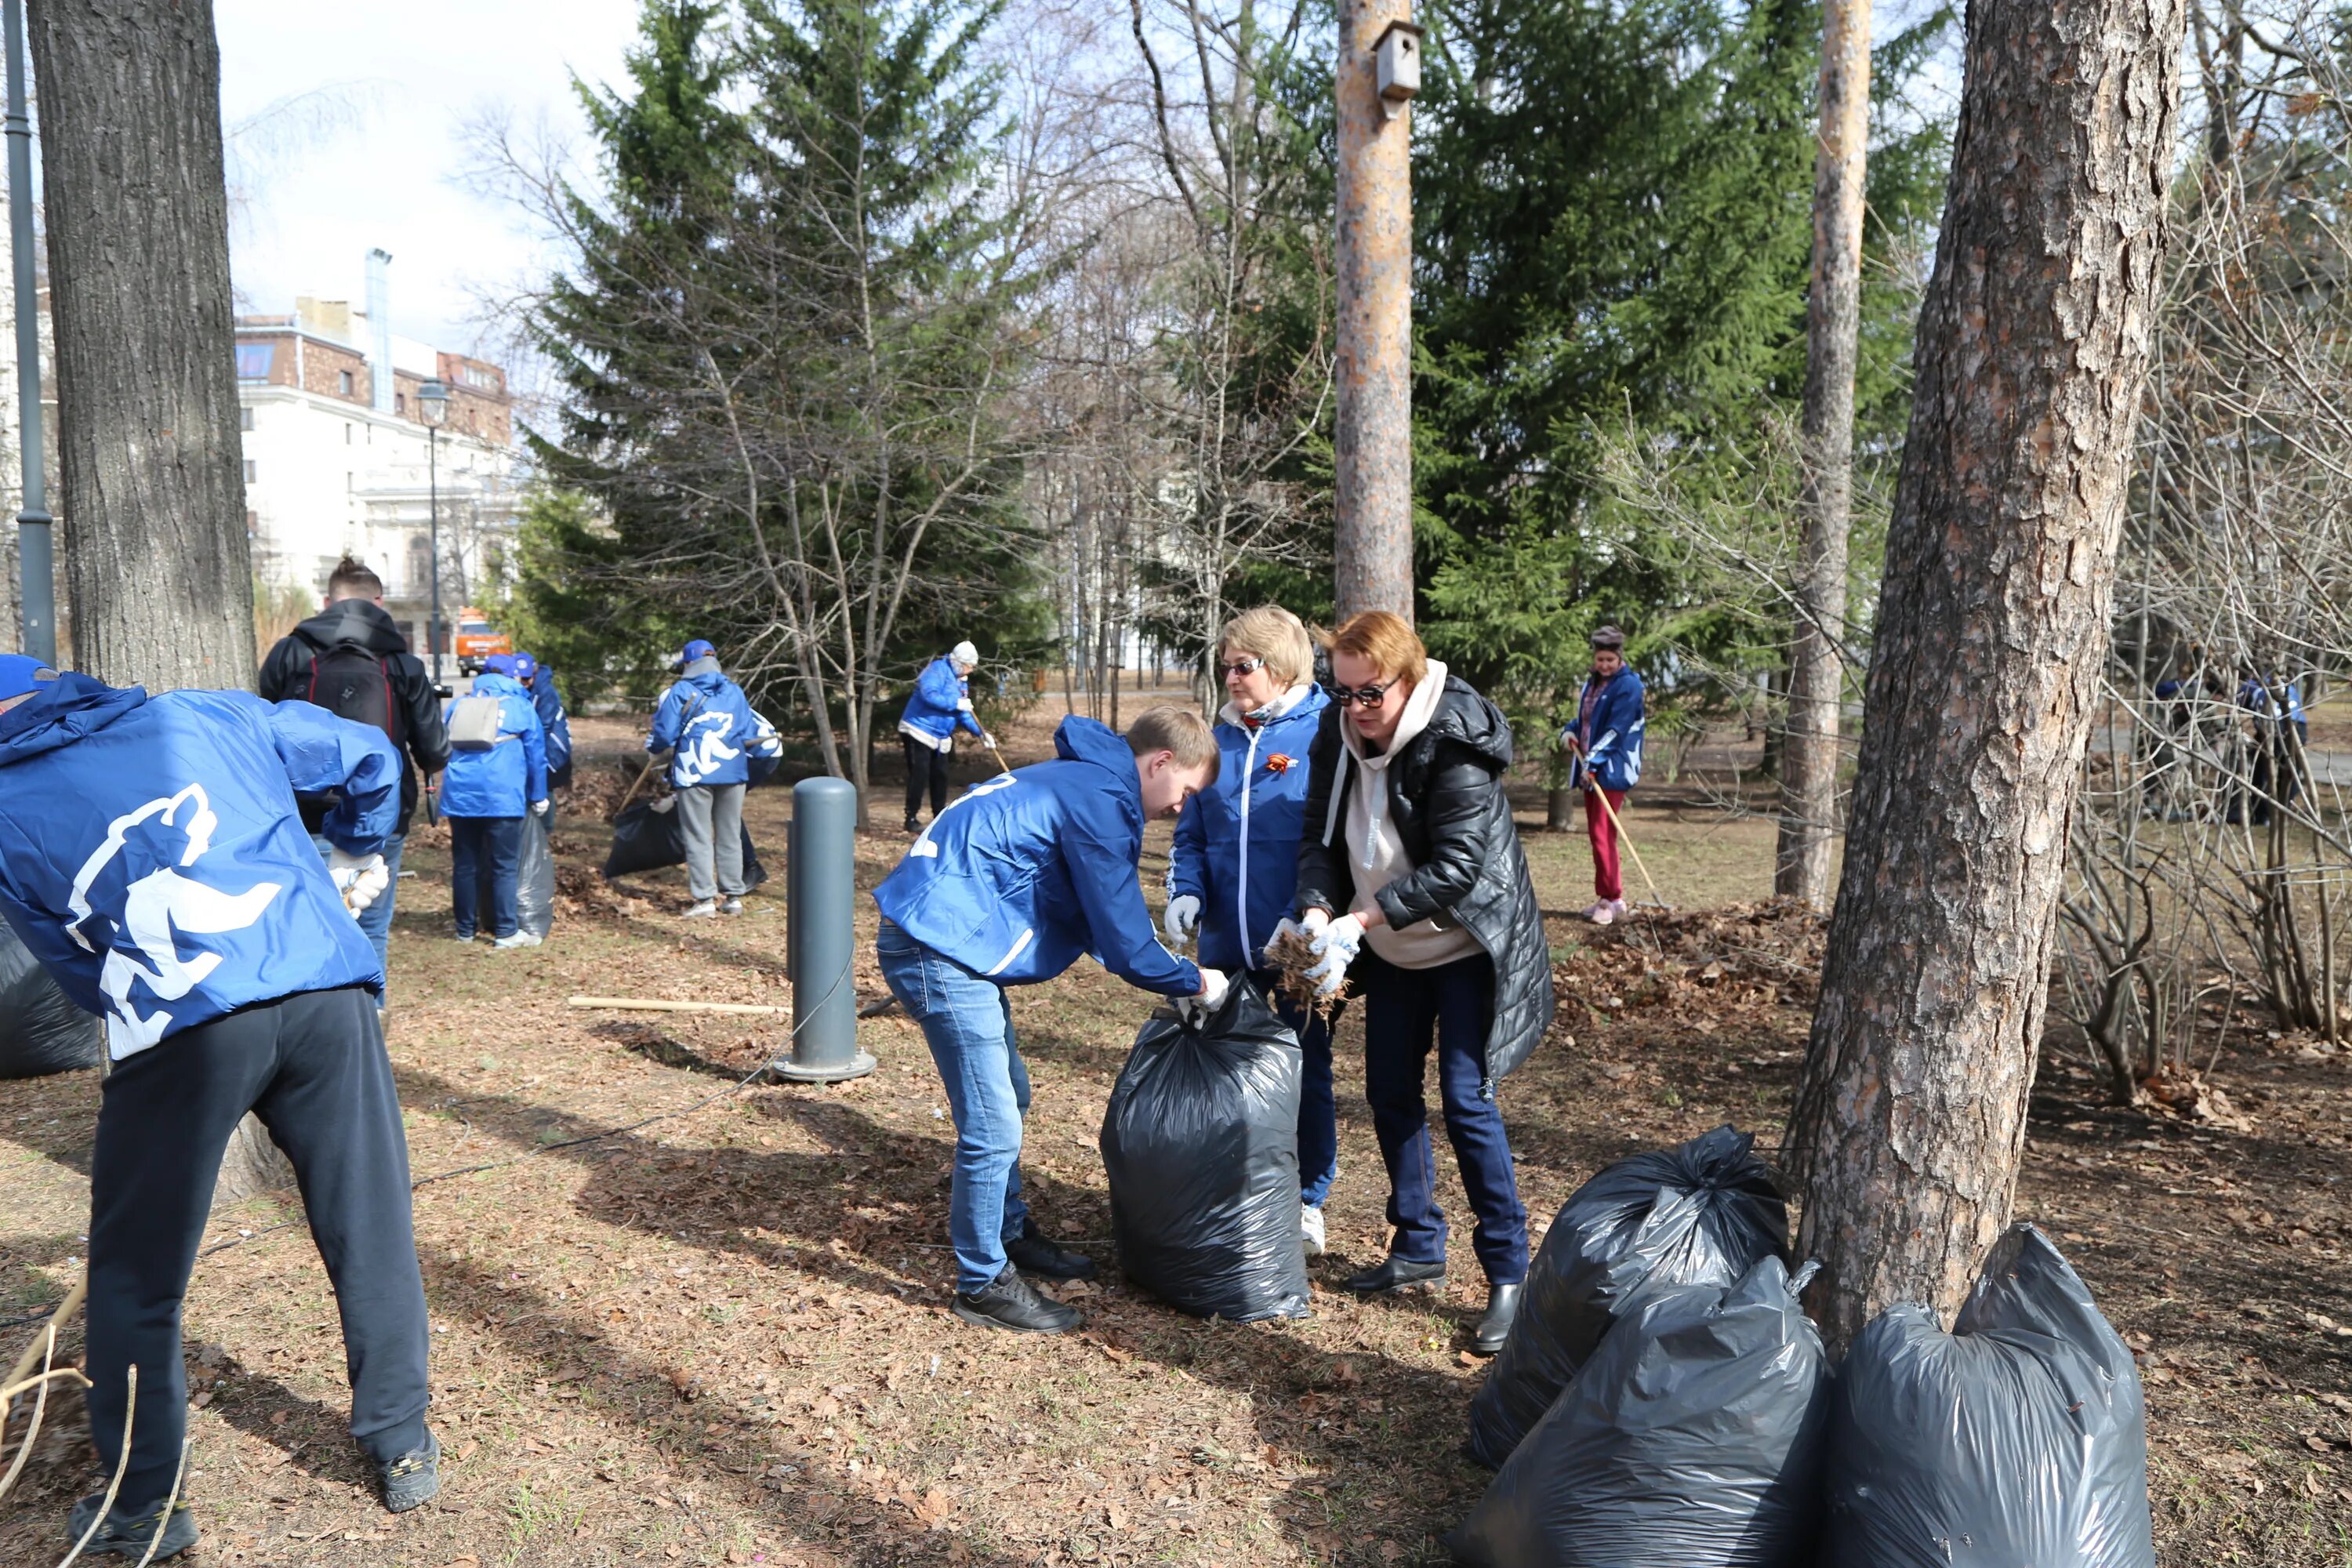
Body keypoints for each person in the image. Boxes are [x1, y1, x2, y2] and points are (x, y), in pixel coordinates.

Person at [0, 655, 439, 1559]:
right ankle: (403, 1441)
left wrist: (136, 993)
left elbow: (72, 966)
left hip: (182, 1022)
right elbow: (369, 754)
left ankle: (141, 1504)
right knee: (370, 1220)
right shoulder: (208, 713)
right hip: (323, 989)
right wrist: (357, 852)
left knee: (134, 1275)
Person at [873, 707, 1224, 1334]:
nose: (1179, 810)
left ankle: (1007, 1233)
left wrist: (1168, 970)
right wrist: (1193, 979)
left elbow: (1080, 903)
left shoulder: (1082, 781)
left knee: (1013, 1094)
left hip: (949, 936)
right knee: (993, 1122)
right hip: (939, 945)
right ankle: (983, 1283)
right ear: (1162, 762)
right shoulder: (1099, 798)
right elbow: (1120, 937)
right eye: (1187, 792)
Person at [1294, 612, 1555, 1356]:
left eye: (1368, 695)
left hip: (1467, 943)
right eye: (1339, 694)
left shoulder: (1456, 740)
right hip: (1394, 944)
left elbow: (1459, 865)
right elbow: (1318, 834)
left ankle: (1509, 1274)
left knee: (1465, 1099)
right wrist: (1319, 908)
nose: (1353, 710)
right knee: (1388, 1092)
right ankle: (1416, 1244)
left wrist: (1365, 917)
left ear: (1407, 681)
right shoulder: (1337, 733)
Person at [1165, 608, 1340, 1256]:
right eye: (1226, 666)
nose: (1232, 678)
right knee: (1224, 1065)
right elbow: (1193, 830)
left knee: (1305, 1068)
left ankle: (1305, 1198)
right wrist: (1185, 887)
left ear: (1282, 667)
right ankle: (1230, 1183)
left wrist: (1318, 914)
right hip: (1223, 946)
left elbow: (1332, 839)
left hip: (1294, 943)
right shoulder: (1219, 740)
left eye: (1244, 666)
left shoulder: (1323, 732)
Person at [256, 555, 450, 1002]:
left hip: (299, 814)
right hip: (379, 816)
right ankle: (367, 1023)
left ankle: (304, 1023)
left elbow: (263, 724)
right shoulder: (403, 662)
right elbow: (433, 749)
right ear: (379, 603)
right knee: (370, 926)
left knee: (299, 921)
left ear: (327, 601)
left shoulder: (290, 652)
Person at [646, 639, 764, 916]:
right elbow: (748, 730)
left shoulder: (682, 690)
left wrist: (655, 749)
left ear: (688, 663)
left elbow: (664, 734)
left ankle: (704, 900)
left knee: (698, 835)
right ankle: (734, 896)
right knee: (730, 833)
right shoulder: (734, 691)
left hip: (693, 771)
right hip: (733, 771)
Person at [441, 652, 549, 947]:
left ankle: (464, 929)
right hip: (503, 796)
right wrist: (538, 795)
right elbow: (536, 755)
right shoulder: (520, 706)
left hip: (461, 795)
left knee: (465, 864)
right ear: (513, 676)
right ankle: (505, 931)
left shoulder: (460, 704)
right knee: (504, 864)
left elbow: (440, 742)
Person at [1560, 626, 1646, 925]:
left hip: (1611, 769)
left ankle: (1611, 899)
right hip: (1590, 767)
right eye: (1600, 659)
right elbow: (1587, 718)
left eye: (1610, 659)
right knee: (1600, 836)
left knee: (1602, 834)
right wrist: (1570, 730)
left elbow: (1616, 729)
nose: (1605, 665)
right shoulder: (1593, 684)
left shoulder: (1629, 687)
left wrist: (1594, 761)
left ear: (1619, 657)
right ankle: (1610, 897)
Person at [898, 640, 994, 833]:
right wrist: (956, 703)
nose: (970, 671)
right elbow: (929, 695)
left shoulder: (960, 681)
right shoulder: (937, 670)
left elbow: (964, 712)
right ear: (959, 662)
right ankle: (911, 817)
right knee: (920, 774)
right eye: (969, 666)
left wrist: (981, 733)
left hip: (940, 736)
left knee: (940, 776)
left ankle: (939, 817)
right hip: (918, 729)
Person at [512, 651, 573, 793]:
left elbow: (544, 727)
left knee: (544, 791)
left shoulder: (546, 692)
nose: (524, 683)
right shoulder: (516, 691)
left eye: (527, 678)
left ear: (535, 674)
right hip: (533, 750)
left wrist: (528, 754)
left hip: (551, 752)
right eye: (520, 678)